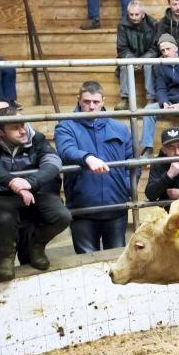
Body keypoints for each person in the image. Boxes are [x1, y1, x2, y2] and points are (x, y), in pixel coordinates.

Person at [54, 81, 134, 254]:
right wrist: (87, 157)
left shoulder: (120, 128)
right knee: (86, 261)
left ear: (103, 101)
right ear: (79, 100)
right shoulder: (66, 126)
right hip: (83, 209)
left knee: (116, 259)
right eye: (87, 101)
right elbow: (66, 150)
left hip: (116, 207)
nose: (91, 106)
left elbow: (132, 161)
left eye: (96, 102)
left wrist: (126, 185)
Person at [0, 105, 71, 281]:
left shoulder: (36, 138)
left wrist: (29, 182)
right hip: (1, 195)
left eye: (23, 124)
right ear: (0, 133)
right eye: (15, 127)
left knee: (62, 216)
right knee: (4, 218)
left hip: (34, 191)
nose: (23, 130)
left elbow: (53, 162)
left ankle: (36, 246)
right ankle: (5, 259)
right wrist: (13, 182)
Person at [140, 34, 179, 157]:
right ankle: (147, 147)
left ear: (176, 48)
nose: (165, 53)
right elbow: (160, 88)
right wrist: (164, 102)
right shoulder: (160, 64)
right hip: (170, 100)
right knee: (148, 110)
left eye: (168, 49)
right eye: (163, 50)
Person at [115, 0, 158, 111]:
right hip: (130, 57)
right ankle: (125, 99)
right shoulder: (122, 25)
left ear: (143, 14)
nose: (134, 17)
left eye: (137, 14)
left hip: (148, 57)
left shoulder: (153, 24)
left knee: (149, 65)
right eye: (131, 14)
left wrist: (142, 60)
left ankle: (150, 99)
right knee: (124, 65)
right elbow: (122, 48)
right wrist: (133, 60)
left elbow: (155, 48)